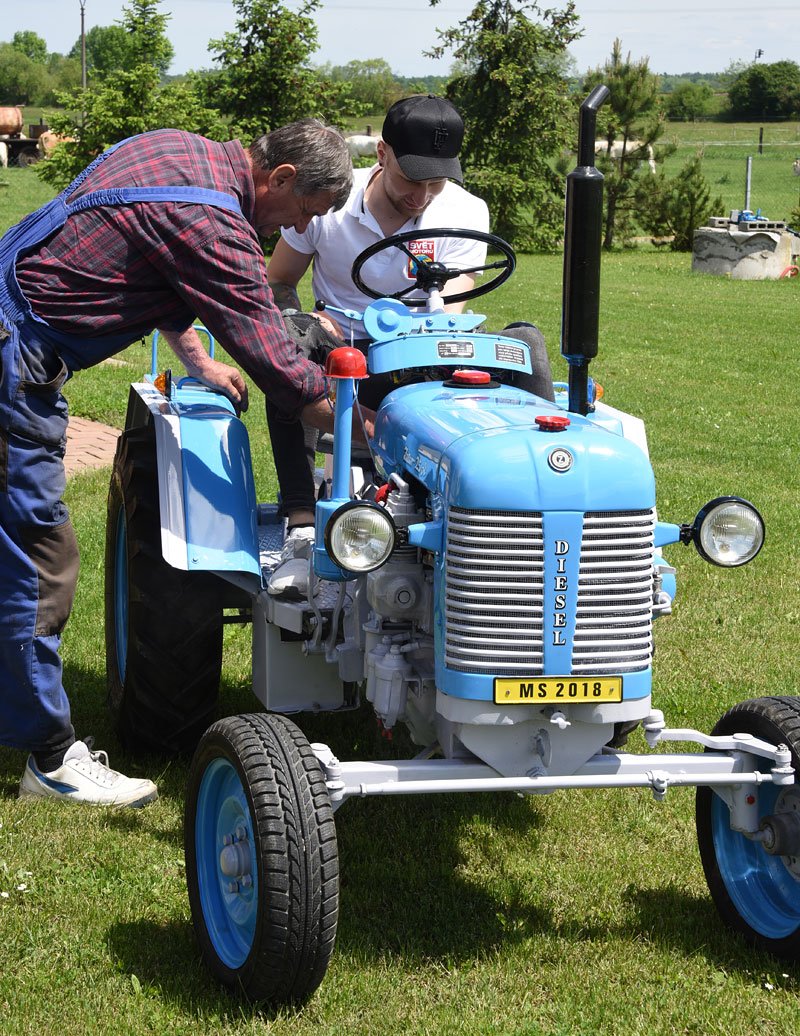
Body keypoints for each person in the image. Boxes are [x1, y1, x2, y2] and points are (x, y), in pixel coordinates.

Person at [0, 120, 363, 806]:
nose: (292, 229)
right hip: (13, 362)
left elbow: (155, 262)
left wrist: (194, 357)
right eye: (301, 213)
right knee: (37, 557)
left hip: (9, 327)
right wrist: (365, 428)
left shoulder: (178, 151)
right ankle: (50, 760)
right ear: (281, 177)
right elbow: (283, 374)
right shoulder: (215, 224)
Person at [265, 94, 554, 598]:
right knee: (286, 346)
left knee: (524, 342)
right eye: (409, 180)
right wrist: (305, 317)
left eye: (434, 183)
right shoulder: (332, 200)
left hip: (423, 344)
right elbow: (279, 282)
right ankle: (302, 521)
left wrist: (429, 333)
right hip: (340, 341)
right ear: (381, 154)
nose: (421, 197)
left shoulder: (466, 211)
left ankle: (532, 507)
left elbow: (455, 302)